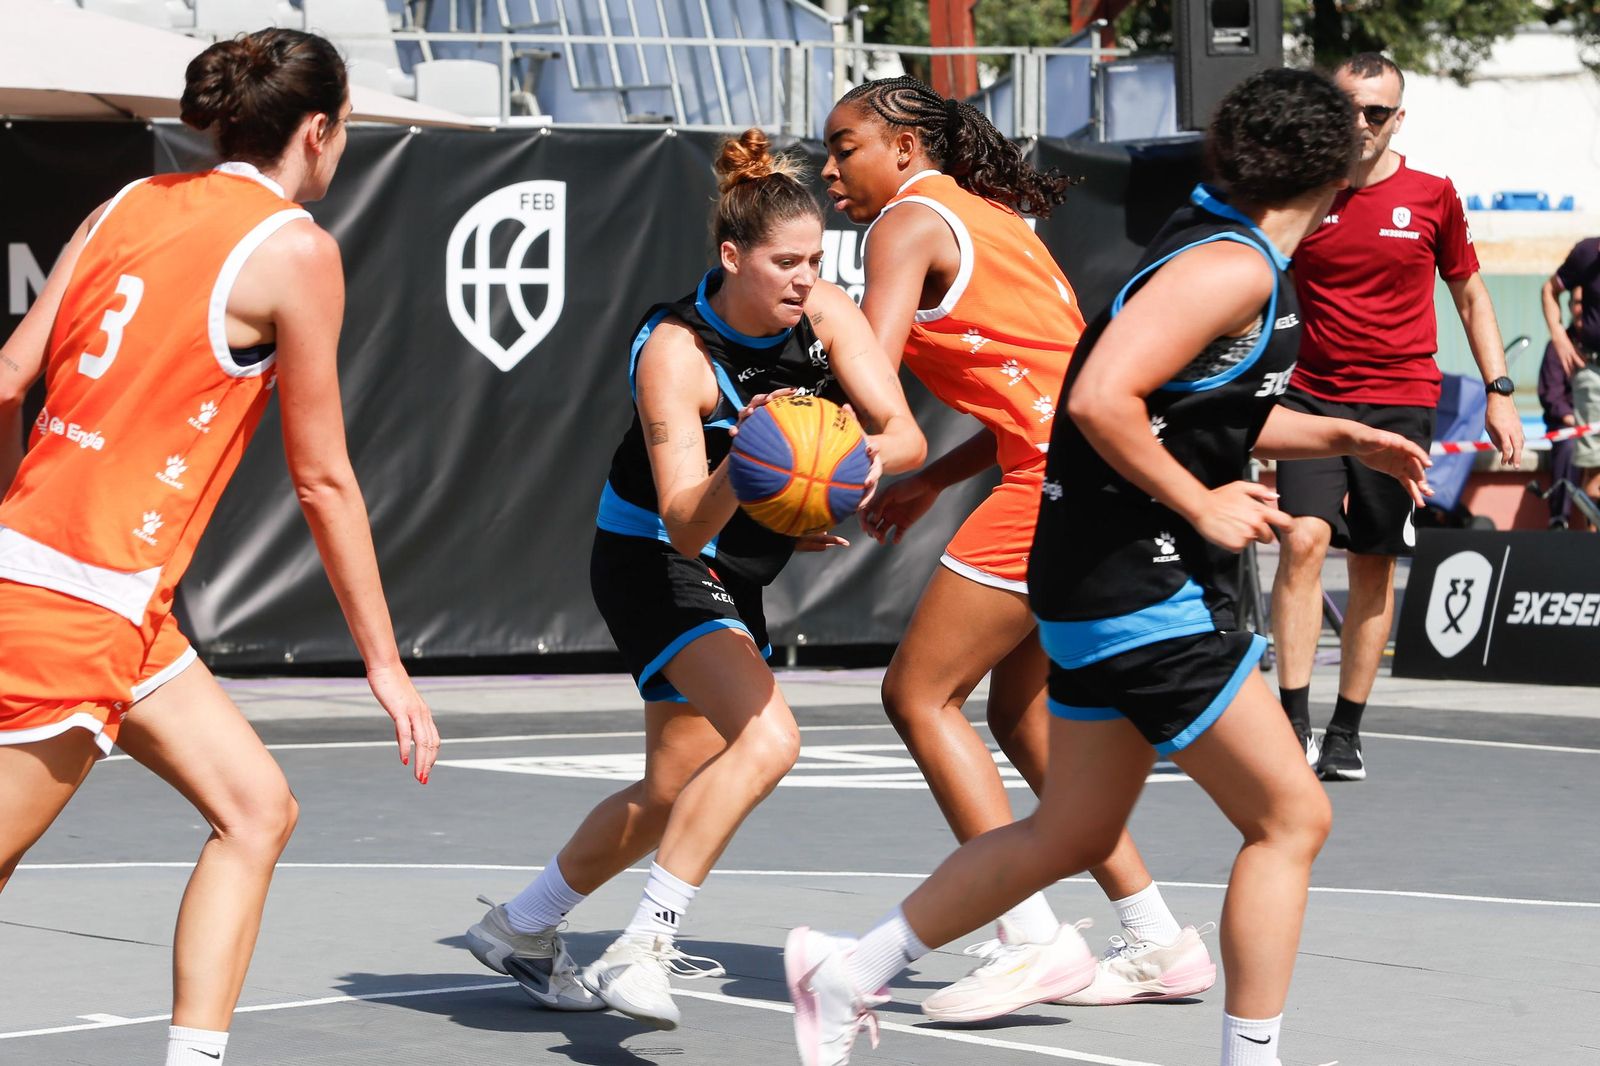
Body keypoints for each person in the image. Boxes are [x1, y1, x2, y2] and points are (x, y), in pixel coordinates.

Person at [785, 67, 1432, 1066]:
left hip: (1093, 565)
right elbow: (1095, 401)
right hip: (1145, 573)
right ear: (1339, 165)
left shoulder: (1219, 240)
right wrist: (1200, 500)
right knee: (1291, 817)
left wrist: (1338, 433)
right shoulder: (1233, 266)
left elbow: (1193, 400)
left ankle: (850, 970)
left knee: (1072, 828)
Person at [0, 30, 439, 1066]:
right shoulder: (293, 249)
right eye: (346, 133)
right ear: (318, 130)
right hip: (83, 600)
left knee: (256, 807)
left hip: (78, 585)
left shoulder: (127, 204)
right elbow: (323, 477)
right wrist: (386, 663)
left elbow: (11, 373)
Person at [462, 129, 926, 1032]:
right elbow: (683, 519)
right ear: (730, 256)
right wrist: (754, 460)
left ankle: (521, 926)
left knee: (674, 783)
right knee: (768, 740)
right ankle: (646, 943)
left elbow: (902, 434)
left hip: (728, 557)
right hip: (652, 558)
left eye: (815, 261)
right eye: (785, 263)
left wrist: (821, 473)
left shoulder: (824, 312)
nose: (804, 279)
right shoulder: (674, 352)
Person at [814, 76, 1214, 1020]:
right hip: (1082, 477)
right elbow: (1040, 390)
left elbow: (871, 375)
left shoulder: (903, 227)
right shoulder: (991, 219)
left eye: (844, 146)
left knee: (917, 693)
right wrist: (928, 482)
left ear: (906, 150)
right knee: (1024, 722)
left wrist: (805, 317)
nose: (830, 168)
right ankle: (1158, 939)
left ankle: (1026, 934)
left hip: (1050, 489)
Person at [1271, 52, 1523, 782]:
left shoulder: (1433, 195)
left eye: (1376, 112)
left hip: (1399, 402)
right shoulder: (1301, 191)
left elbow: (1471, 297)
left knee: (1372, 561)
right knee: (1302, 540)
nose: (1361, 124)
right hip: (1308, 396)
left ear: (1397, 119)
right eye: (1348, 108)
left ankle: (1346, 731)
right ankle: (1292, 721)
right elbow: (1254, 283)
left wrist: (1499, 389)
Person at [1542, 239, 1600, 530]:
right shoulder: (1586, 253)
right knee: (1593, 475)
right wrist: (1558, 336)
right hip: (1592, 381)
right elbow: (1549, 290)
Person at [1537, 287, 1584, 528]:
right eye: (1577, 302)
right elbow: (1552, 398)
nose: (1582, 308)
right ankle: (1559, 520)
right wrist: (1578, 424)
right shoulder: (1556, 348)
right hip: (1570, 429)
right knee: (1569, 447)